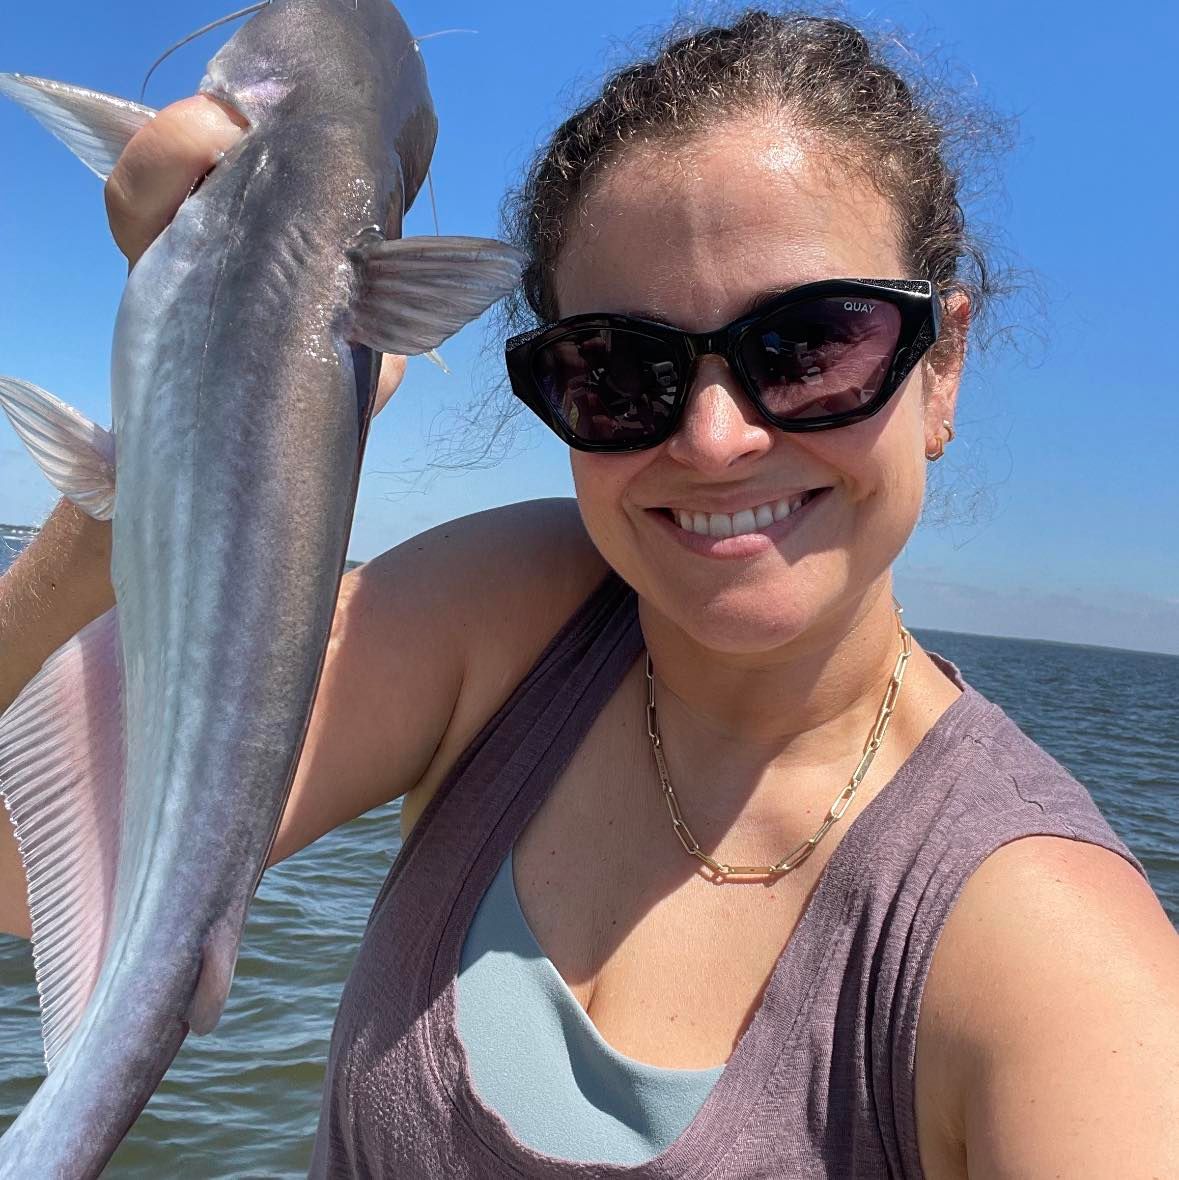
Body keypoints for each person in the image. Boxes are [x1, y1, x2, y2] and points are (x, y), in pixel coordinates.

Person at [1, 9, 1176, 1178]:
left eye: (812, 345)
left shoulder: (1047, 952)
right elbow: (16, 872)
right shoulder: (513, 615)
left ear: (941, 368)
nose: (716, 438)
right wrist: (174, 426)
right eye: (620, 370)